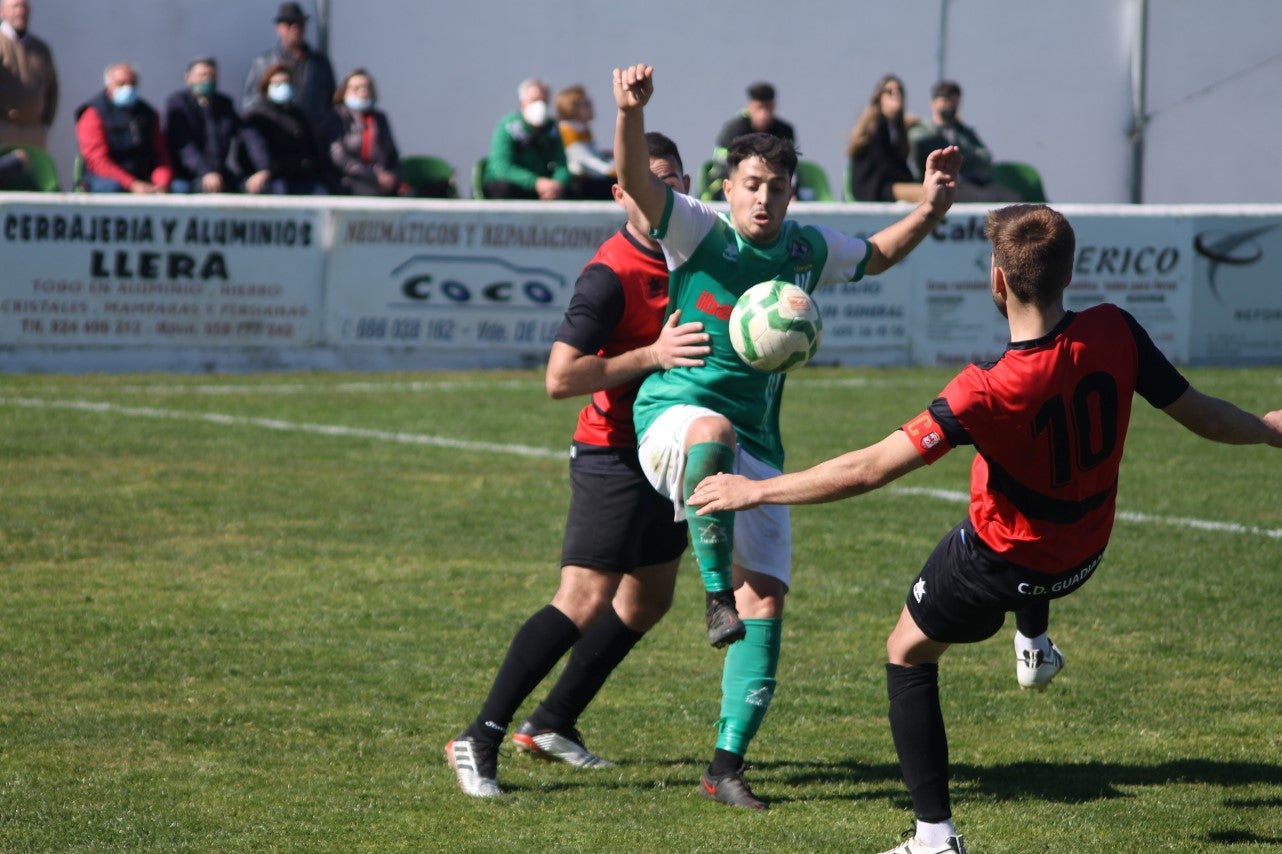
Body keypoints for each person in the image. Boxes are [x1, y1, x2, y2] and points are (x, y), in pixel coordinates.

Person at [688, 204, 1282, 853]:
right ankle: (1033, 648)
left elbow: (866, 470)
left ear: (997, 281)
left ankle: (934, 837)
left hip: (1002, 562)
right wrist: (1269, 429)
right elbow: (1203, 415)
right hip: (1086, 549)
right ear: (1069, 272)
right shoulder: (1116, 331)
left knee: (906, 651)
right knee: (1015, 499)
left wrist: (755, 489)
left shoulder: (984, 391)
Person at [613, 62, 960, 809]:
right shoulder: (697, 229)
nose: (763, 198)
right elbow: (640, 188)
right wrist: (630, 113)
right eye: (750, 185)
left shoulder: (804, 248)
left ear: (791, 193)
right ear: (726, 187)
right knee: (711, 427)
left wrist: (930, 209)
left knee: (767, 598)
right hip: (672, 417)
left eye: (776, 187)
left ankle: (725, 767)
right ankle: (713, 597)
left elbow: (877, 254)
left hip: (758, 443)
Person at [445, 132, 708, 798]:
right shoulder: (610, 273)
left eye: (673, 179)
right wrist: (651, 355)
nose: (663, 193)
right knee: (585, 598)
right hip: (612, 453)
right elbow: (560, 377)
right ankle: (478, 736)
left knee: (648, 599)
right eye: (647, 182)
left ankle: (554, 722)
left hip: (668, 450)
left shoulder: (702, 252)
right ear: (621, 193)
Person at [163, 57, 269, 194]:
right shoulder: (177, 105)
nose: (207, 79)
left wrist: (263, 169)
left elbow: (249, 135)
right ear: (188, 78)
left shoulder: (224, 105)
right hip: (187, 176)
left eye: (211, 76)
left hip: (219, 173)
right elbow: (185, 147)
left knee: (255, 188)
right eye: (202, 75)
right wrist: (205, 172)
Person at [908, 80, 1021, 203]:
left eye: (954, 101)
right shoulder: (922, 130)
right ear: (933, 103)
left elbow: (986, 156)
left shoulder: (963, 131)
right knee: (984, 199)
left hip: (972, 180)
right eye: (945, 100)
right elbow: (916, 145)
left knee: (1012, 199)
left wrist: (964, 152)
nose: (950, 105)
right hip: (947, 183)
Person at [75, 62, 171, 194]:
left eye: (132, 84)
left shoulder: (148, 113)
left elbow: (160, 154)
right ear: (109, 86)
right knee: (112, 188)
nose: (127, 88)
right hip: (106, 178)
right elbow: (97, 161)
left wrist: (162, 182)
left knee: (179, 188)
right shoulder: (93, 113)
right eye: (121, 84)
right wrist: (131, 184)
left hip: (143, 176)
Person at [241, 2, 336, 131]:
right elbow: (250, 102)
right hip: (275, 134)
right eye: (290, 23)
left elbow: (331, 102)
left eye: (300, 24)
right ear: (279, 28)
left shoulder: (320, 63)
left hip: (311, 136)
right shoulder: (264, 62)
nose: (295, 28)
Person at [243, 61, 330, 195]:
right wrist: (265, 169)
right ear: (266, 86)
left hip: (300, 175)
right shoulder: (256, 115)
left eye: (286, 83)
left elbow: (311, 148)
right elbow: (256, 147)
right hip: (273, 176)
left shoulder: (298, 115)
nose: (283, 87)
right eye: (277, 83)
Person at [482, 77, 569, 200]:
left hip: (543, 189)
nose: (539, 105)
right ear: (522, 103)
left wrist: (557, 185)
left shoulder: (552, 128)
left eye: (543, 101)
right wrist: (535, 183)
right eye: (534, 100)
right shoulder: (507, 126)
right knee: (503, 189)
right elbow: (501, 167)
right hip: (515, 185)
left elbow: (562, 165)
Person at [706, 81, 796, 199]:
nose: (763, 114)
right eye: (759, 108)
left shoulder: (785, 131)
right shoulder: (734, 130)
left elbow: (789, 166)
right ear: (750, 107)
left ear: (774, 106)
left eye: (767, 108)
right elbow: (724, 165)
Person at [320, 68, 401, 196]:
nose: (363, 92)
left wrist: (393, 176)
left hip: (382, 178)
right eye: (356, 88)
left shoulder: (380, 118)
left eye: (367, 87)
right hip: (350, 179)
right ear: (344, 92)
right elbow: (339, 158)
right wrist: (374, 176)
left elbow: (393, 155)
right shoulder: (336, 117)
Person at [847, 74, 921, 203]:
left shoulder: (896, 128)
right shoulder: (874, 126)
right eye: (889, 92)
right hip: (874, 188)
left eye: (900, 91)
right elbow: (885, 165)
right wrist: (909, 180)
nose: (896, 95)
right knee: (925, 194)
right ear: (879, 98)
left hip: (888, 185)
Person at [0, 0, 57, 149]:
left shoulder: (40, 48)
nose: (20, 11)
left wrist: (46, 121)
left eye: (24, 7)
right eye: (15, 7)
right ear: (2, 12)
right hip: (5, 129)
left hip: (34, 130)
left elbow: (52, 87)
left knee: (33, 172)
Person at [555, 84, 614, 200]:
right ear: (572, 108)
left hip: (590, 179)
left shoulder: (583, 130)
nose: (591, 106)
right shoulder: (566, 130)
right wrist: (614, 171)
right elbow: (585, 161)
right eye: (586, 103)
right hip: (578, 184)